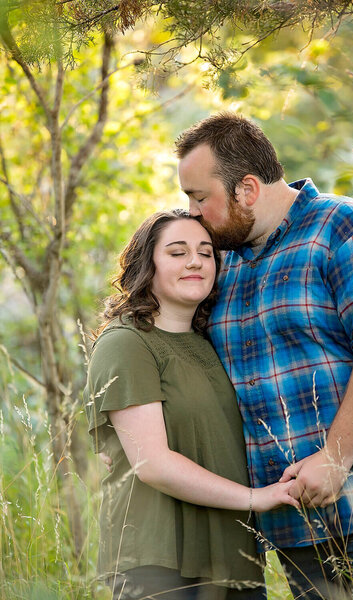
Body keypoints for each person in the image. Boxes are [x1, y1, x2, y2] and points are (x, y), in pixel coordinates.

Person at [175, 113, 353, 599]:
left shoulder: (349, 229)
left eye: (198, 197)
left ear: (248, 189)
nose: (192, 212)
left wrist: (337, 458)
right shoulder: (221, 262)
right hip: (291, 527)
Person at [84, 209, 299, 600]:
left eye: (205, 252)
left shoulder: (211, 342)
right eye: (178, 252)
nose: (196, 261)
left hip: (232, 559)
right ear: (145, 264)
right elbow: (153, 464)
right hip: (160, 563)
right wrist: (258, 498)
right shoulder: (126, 343)